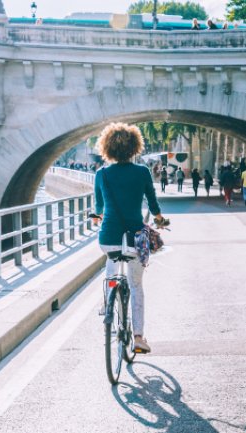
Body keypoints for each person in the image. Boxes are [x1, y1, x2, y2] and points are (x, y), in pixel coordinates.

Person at [92, 122, 166, 354]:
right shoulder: (142, 172)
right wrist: (160, 219)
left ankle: (108, 301)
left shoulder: (101, 174)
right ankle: (138, 337)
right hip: (135, 238)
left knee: (111, 261)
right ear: (135, 147)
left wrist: (98, 218)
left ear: (107, 148)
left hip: (108, 236)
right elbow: (153, 204)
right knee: (135, 285)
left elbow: (99, 207)